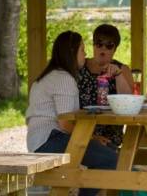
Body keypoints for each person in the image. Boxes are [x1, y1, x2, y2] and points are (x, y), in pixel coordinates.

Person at [26, 31, 117, 196]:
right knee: (111, 159)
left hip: (40, 141)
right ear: (71, 53)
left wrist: (93, 139)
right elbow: (65, 124)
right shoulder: (63, 79)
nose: (85, 54)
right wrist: (91, 138)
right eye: (82, 50)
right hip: (50, 141)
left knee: (108, 150)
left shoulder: (49, 75)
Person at [77, 24, 133, 148]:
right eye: (99, 43)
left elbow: (129, 102)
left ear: (115, 49)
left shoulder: (122, 69)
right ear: (93, 45)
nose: (103, 49)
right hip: (80, 134)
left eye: (109, 45)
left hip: (110, 137)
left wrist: (118, 75)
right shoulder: (80, 67)